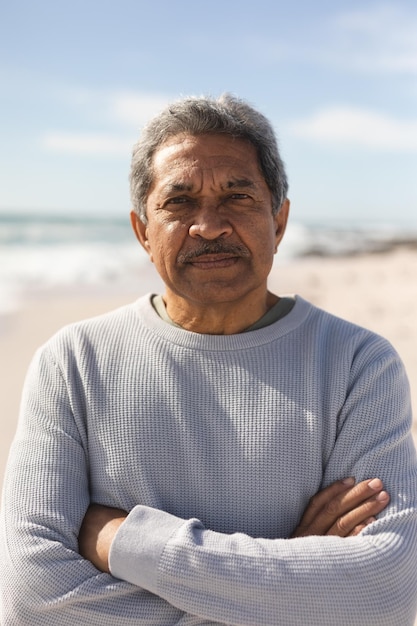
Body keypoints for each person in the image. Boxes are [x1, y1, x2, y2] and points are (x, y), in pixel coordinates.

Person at [1, 94, 416, 626]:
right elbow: (31, 598)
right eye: (179, 202)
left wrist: (128, 542)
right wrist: (290, 590)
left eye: (238, 196)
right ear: (142, 232)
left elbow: (385, 591)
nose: (209, 225)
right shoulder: (74, 363)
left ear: (280, 220)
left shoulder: (359, 365)